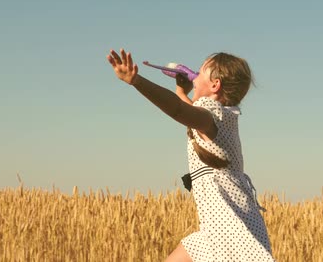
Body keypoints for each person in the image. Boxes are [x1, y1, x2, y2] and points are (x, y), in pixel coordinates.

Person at [107, 49, 275, 262]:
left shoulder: (214, 118)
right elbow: (187, 112)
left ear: (215, 85)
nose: (195, 73)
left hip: (231, 228)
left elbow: (179, 111)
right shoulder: (217, 116)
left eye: (202, 71)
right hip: (213, 229)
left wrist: (136, 81)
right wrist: (181, 91)